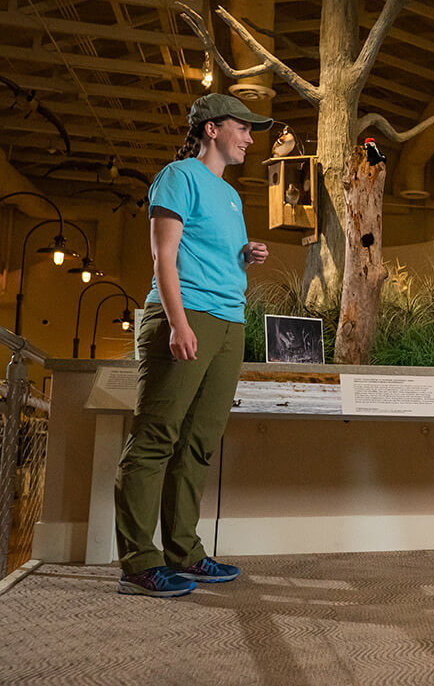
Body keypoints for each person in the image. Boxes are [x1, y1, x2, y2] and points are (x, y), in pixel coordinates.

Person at [115, 93, 273, 597]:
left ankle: (183, 551)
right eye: (243, 127)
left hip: (229, 322)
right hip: (185, 317)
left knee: (199, 442)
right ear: (211, 129)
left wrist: (244, 254)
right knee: (156, 438)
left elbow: (208, 251)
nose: (250, 137)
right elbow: (164, 258)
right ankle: (139, 562)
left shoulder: (230, 196)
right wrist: (179, 324)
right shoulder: (178, 176)